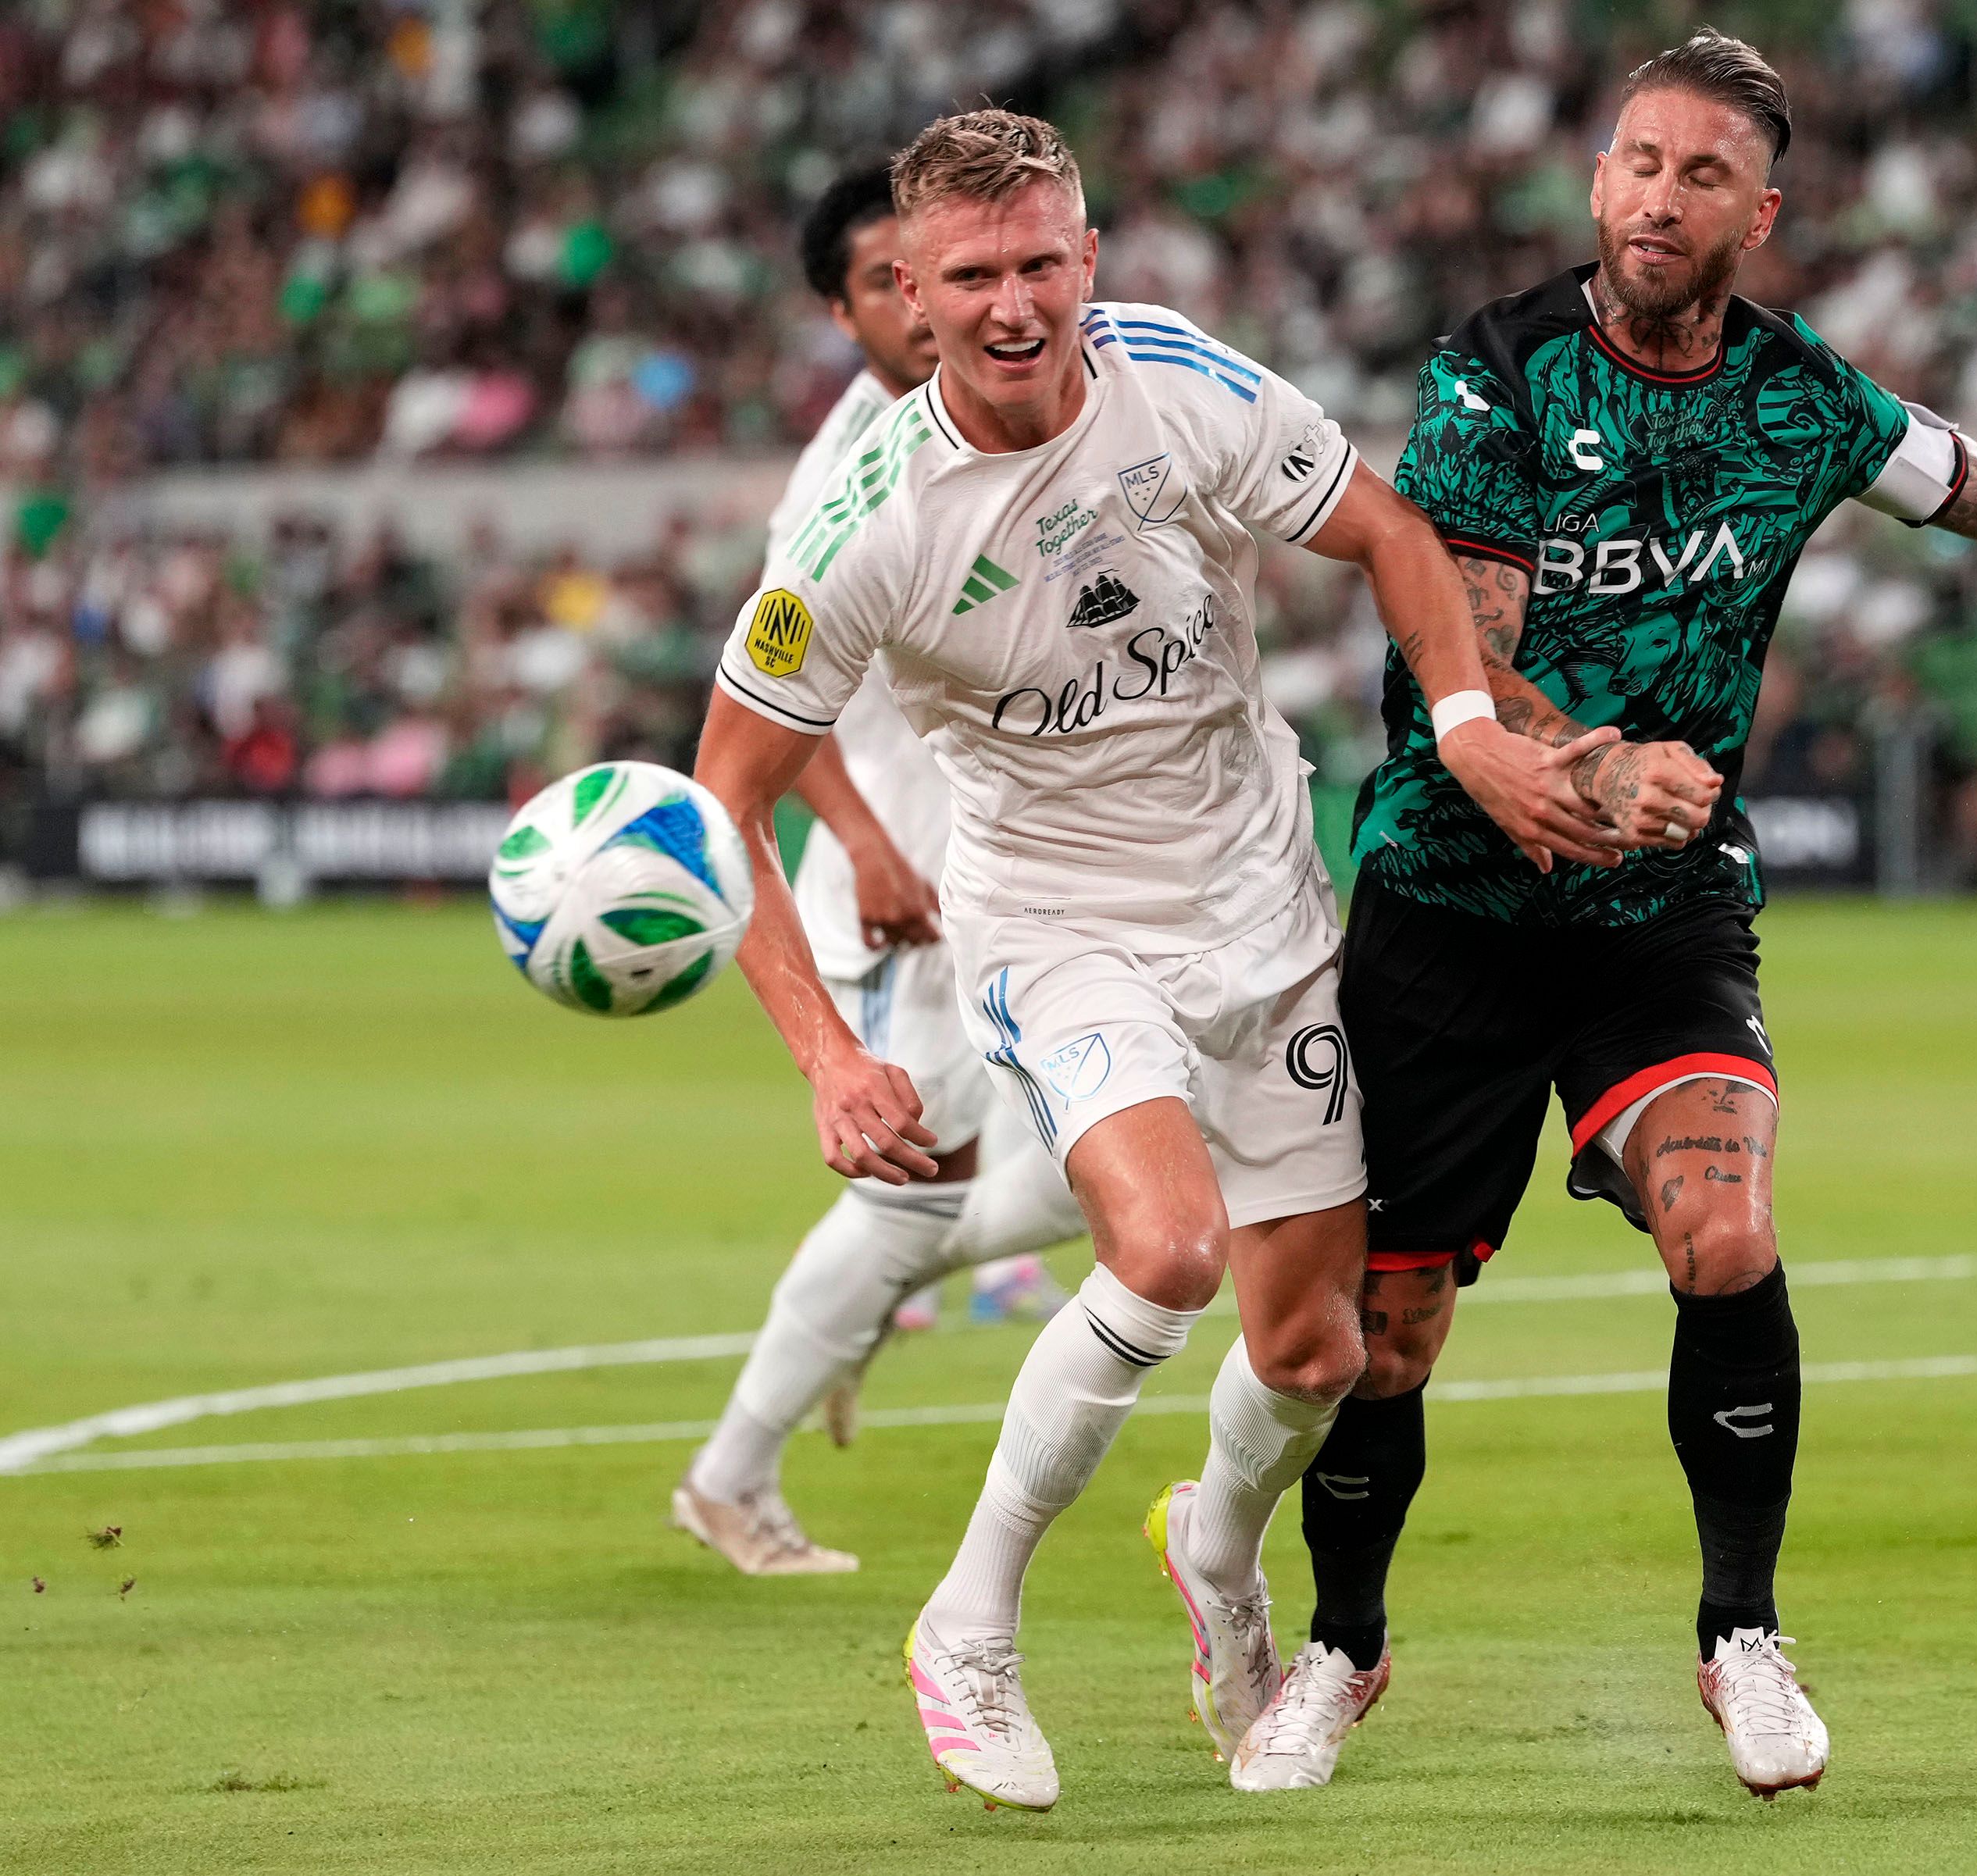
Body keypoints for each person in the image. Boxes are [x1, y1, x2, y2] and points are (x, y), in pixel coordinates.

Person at [1258, 31, 1977, 1800]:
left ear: (1762, 212)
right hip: (1448, 901)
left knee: (1723, 1234)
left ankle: (1741, 1631)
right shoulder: (1491, 377)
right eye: (1638, 162)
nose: (1661, 197)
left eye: (1701, 173)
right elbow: (1462, 661)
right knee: (1389, 1330)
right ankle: (1342, 1648)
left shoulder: (1805, 400)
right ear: (1596, 182)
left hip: (1661, 914)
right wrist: (1593, 768)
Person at [692, 110, 1636, 1814]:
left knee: (1317, 1354)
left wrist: (1471, 721)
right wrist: (830, 1056)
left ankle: (1212, 1552)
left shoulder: (1178, 382)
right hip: (1055, 922)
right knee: (1167, 1245)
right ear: (905, 289)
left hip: (1261, 904)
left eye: (1040, 261)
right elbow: (724, 809)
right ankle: (967, 1623)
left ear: (1089, 258)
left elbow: (1393, 538)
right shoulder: (856, 524)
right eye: (968, 274)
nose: (1011, 302)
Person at [669, 166, 1079, 1581]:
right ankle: (732, 1473)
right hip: (908, 888)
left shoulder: (1002, 417)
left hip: (1012, 868)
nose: (925, 305)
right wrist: (860, 839)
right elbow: (770, 706)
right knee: (922, 1194)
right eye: (883, 281)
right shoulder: (847, 476)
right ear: (849, 306)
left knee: (1110, 1161)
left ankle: (869, 1302)